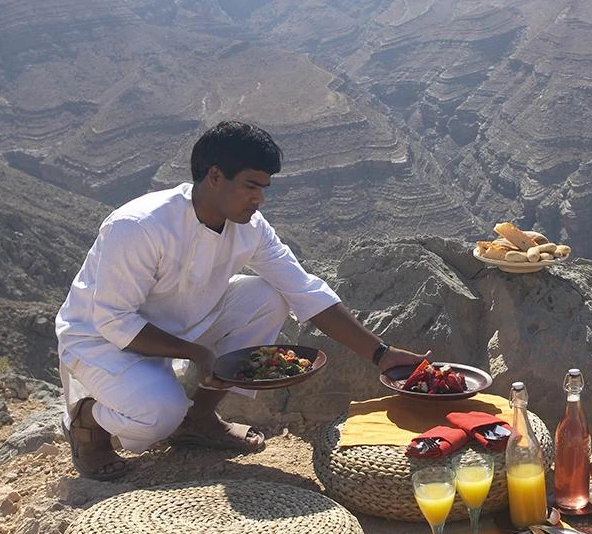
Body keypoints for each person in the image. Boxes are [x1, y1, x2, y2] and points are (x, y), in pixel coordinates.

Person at [53, 120, 426, 480]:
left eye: (264, 188)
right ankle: (88, 420)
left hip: (181, 326)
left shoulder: (249, 227)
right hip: (101, 340)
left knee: (269, 296)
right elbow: (115, 321)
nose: (259, 199)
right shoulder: (138, 226)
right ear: (215, 176)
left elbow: (303, 290)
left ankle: (198, 420)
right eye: (251, 186)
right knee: (156, 417)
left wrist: (381, 353)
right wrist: (198, 354)